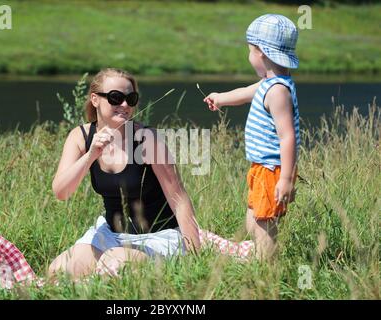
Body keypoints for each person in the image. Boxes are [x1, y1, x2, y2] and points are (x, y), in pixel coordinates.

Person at [48, 68, 255, 280]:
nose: (125, 105)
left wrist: (195, 255)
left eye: (131, 98)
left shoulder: (147, 139)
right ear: (95, 99)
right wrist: (91, 155)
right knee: (59, 271)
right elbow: (61, 192)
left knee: (115, 264)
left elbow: (179, 198)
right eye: (116, 98)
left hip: (158, 236)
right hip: (111, 233)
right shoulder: (81, 136)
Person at [203, 14, 300, 260]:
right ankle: (259, 256)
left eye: (250, 51)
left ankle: (266, 268)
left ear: (261, 54)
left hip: (272, 169)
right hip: (260, 167)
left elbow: (287, 137)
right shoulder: (269, 83)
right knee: (254, 219)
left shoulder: (278, 92)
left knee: (264, 223)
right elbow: (246, 93)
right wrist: (220, 97)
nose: (249, 57)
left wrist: (286, 178)